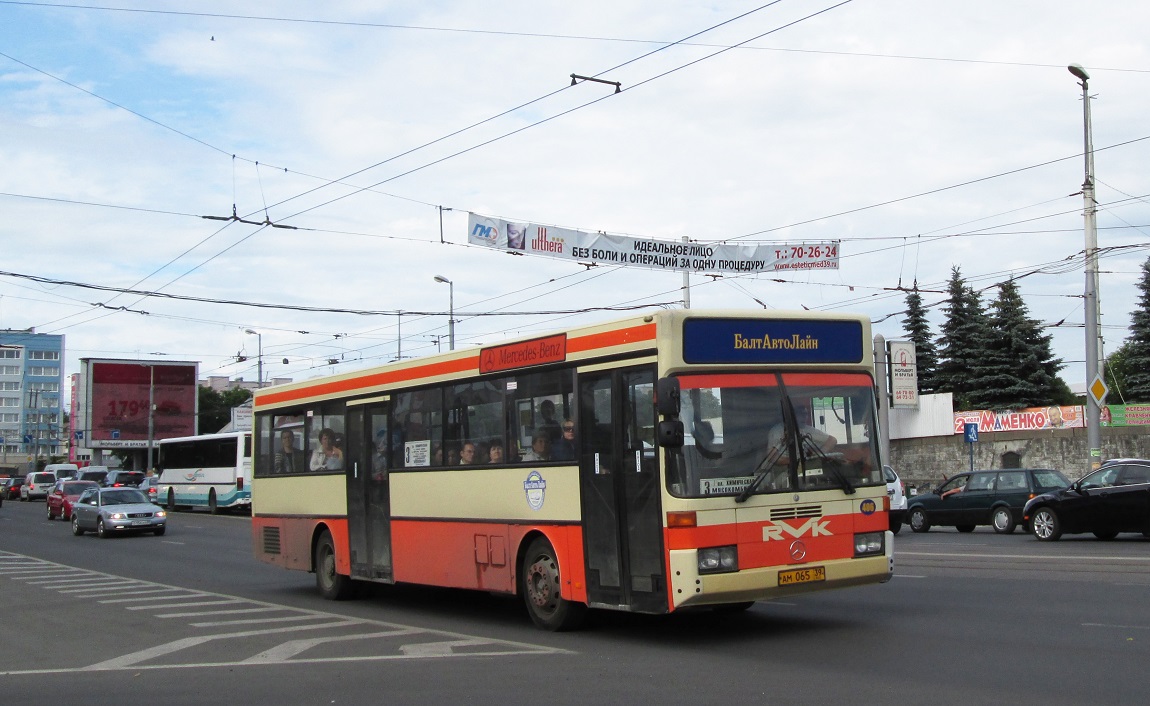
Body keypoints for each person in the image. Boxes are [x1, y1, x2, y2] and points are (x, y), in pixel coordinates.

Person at [766, 400, 837, 464]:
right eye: (802, 414)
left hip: (803, 466)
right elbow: (772, 457)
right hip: (783, 470)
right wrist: (794, 461)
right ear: (792, 416)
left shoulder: (806, 429)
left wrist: (819, 454)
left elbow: (832, 440)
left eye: (806, 414)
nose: (805, 417)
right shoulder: (777, 431)